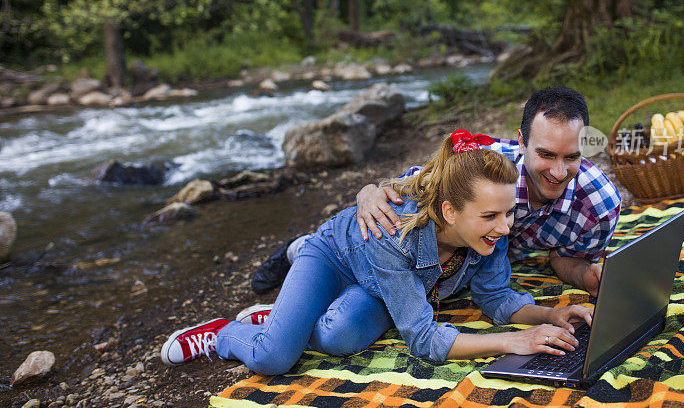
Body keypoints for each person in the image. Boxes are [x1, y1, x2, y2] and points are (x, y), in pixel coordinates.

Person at [161, 131, 593, 373]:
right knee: (272, 358)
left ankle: (284, 316)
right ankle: (222, 334)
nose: (505, 228)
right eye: (491, 217)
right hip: (335, 256)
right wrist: (514, 342)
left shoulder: (490, 233)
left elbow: (498, 298)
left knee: (338, 337)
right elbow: (423, 339)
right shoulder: (398, 234)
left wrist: (548, 315)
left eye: (508, 214)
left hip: (383, 287)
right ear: (449, 210)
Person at [253, 86, 621, 297]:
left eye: (572, 157)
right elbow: (408, 188)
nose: (559, 172)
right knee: (373, 242)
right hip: (426, 254)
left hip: (478, 267)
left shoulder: (600, 206)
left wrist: (587, 276)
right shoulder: (484, 165)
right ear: (522, 142)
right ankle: (299, 249)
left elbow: (563, 258)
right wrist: (369, 190)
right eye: (545, 154)